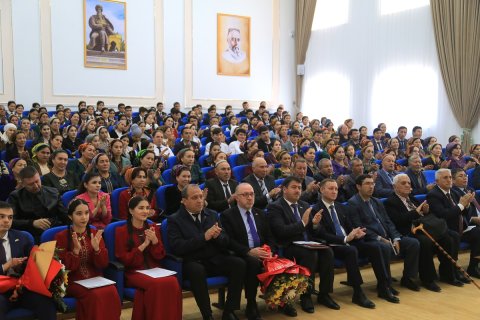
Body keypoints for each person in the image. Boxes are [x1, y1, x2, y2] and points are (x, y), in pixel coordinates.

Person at [167, 185, 245, 320]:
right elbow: (177, 247)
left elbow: (226, 240)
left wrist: (218, 237)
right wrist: (204, 237)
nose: (199, 201)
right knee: (197, 271)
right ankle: (207, 315)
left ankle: (229, 310)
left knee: (238, 264)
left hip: (214, 258)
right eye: (194, 198)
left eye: (201, 197)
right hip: (192, 261)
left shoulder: (212, 214)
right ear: (184, 201)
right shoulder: (175, 219)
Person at [267, 176, 338, 313]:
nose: (298, 190)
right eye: (294, 187)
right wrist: (303, 224)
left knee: (327, 251)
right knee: (309, 254)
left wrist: (315, 224)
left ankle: (324, 294)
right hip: (288, 245)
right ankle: (306, 295)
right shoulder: (275, 207)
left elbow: (311, 230)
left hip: (307, 243)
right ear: (284, 189)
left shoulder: (304, 205)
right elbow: (281, 231)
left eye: (299, 188)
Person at [348, 174, 421, 302]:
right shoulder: (353, 203)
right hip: (368, 240)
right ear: (358, 186)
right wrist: (379, 238)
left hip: (388, 237)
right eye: (367, 184)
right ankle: (384, 286)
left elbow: (388, 222)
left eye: (372, 184)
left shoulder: (376, 201)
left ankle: (408, 278)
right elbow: (359, 226)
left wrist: (396, 238)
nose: (371, 187)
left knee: (412, 243)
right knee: (383, 246)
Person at [384, 174, 460, 291]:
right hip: (408, 231)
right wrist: (416, 212)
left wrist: (425, 211)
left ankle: (448, 274)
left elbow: (424, 216)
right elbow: (397, 221)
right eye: (403, 183)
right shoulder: (390, 202)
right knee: (425, 242)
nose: (407, 185)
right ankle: (428, 279)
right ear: (394, 187)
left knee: (448, 237)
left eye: (408, 183)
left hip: (423, 228)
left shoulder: (412, 198)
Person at [311, 179, 376, 308]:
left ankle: (384, 284)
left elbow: (349, 226)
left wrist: (356, 233)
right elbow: (321, 234)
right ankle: (357, 292)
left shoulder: (341, 207)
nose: (334, 191)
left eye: (336, 188)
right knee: (351, 251)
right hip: (331, 244)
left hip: (347, 241)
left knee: (374, 246)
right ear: (322, 190)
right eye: (330, 188)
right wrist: (345, 239)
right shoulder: (316, 209)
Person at [116, 196, 182, 319]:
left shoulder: (153, 228)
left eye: (147, 208)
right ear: (131, 211)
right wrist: (144, 245)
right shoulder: (121, 231)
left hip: (154, 269)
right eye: (141, 208)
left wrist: (155, 241)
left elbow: (160, 255)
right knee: (156, 284)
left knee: (173, 281)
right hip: (134, 272)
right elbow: (125, 259)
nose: (145, 211)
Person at [54, 199, 121, 319]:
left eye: (86, 213)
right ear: (70, 216)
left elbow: (103, 264)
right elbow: (63, 269)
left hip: (95, 278)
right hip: (72, 281)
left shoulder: (95, 233)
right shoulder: (61, 236)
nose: (84, 217)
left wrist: (97, 250)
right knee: (94, 295)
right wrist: (75, 252)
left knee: (112, 291)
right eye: (79, 214)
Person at [221, 183, 277, 319]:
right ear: (236, 198)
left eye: (251, 194)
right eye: (245, 195)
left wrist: (269, 251)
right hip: (241, 253)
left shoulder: (260, 213)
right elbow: (228, 241)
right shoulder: (227, 215)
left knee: (282, 261)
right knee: (252, 263)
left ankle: (280, 301)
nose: (249, 198)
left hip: (262, 252)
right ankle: (251, 304)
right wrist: (248, 251)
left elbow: (270, 236)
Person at [0, 201, 57, 320]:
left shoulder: (22, 237)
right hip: (1, 292)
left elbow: (31, 266)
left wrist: (19, 286)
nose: (6, 221)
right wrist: (7, 265)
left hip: (22, 288)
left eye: (10, 217)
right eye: (2, 216)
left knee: (45, 300)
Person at [8, 166, 68, 243]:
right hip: (30, 234)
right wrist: (32, 223)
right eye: (30, 184)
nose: (36, 186)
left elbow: (64, 215)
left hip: (53, 230)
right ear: (22, 184)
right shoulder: (15, 196)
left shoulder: (54, 192)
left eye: (37, 181)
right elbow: (11, 221)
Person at [449, 168, 480, 278]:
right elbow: (459, 214)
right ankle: (473, 267)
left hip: (474, 222)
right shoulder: (453, 192)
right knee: (478, 232)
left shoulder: (470, 189)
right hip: (463, 226)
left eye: (465, 175)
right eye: (461, 176)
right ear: (452, 180)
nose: (465, 178)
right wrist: (473, 219)